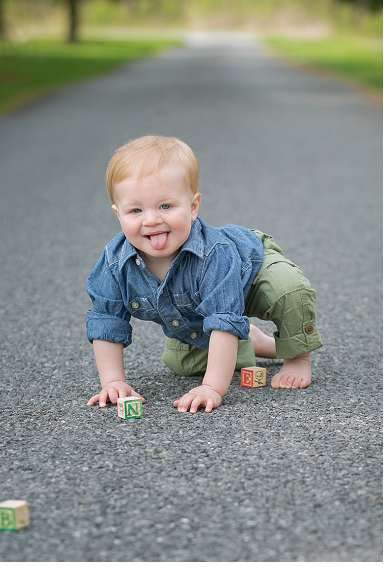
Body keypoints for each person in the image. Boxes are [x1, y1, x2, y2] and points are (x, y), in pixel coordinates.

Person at [85, 135, 322, 414]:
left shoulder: (213, 254)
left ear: (193, 206)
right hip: (205, 306)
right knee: (183, 364)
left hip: (251, 272)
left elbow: (222, 320)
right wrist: (113, 382)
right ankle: (254, 342)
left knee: (287, 289)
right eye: (136, 210)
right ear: (118, 214)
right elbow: (106, 320)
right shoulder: (115, 262)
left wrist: (212, 387)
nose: (151, 220)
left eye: (165, 206)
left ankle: (297, 354)